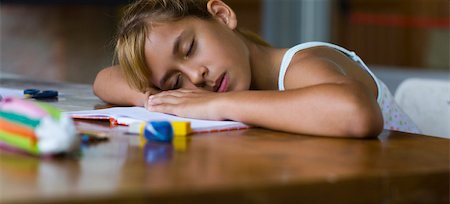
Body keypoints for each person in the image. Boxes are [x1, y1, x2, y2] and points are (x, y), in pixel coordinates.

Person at [93, 0, 420, 138]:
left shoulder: (300, 65)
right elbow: (105, 79)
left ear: (222, 15)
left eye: (190, 48)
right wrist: (158, 98)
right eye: (175, 79)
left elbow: (356, 114)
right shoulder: (229, 84)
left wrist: (215, 105)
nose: (196, 77)